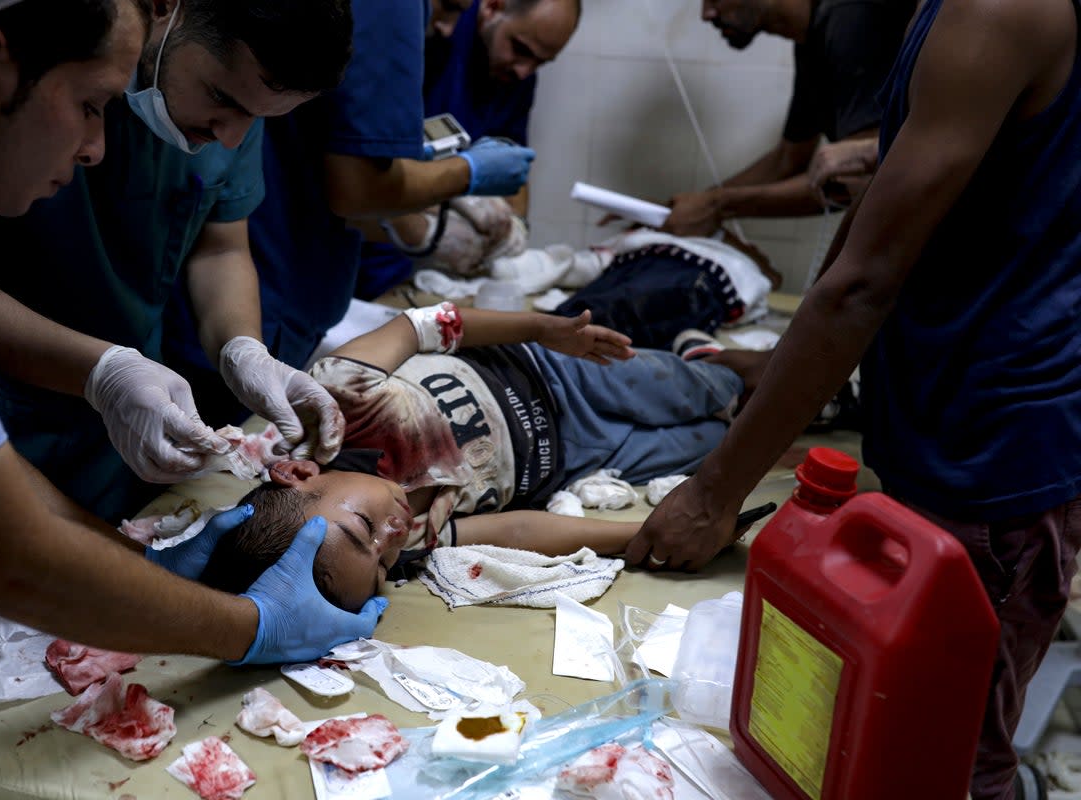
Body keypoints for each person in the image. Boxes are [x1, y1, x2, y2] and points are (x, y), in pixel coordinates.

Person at [0, 0, 384, 747]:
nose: (95, 146)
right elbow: (0, 556)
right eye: (92, 106)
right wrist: (250, 628)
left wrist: (240, 350)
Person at [627, 0, 1081, 792]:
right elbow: (880, 222)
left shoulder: (997, 9)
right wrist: (784, 362)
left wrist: (712, 492)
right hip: (942, 421)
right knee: (886, 723)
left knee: (949, 757)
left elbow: (865, 281)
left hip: (994, 448)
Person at [190, 302, 751, 610]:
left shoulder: (332, 402)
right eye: (382, 566)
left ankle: (726, 361)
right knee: (717, 447)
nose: (391, 533)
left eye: (364, 527)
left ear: (297, 472)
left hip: (554, 375)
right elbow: (518, 530)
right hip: (580, 457)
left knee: (711, 387)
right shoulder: (403, 542)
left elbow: (422, 326)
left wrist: (541, 327)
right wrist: (643, 533)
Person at [166, 0, 538, 425]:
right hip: (246, 298)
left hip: (257, 300)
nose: (449, 29)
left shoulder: (240, 126)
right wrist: (462, 178)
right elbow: (357, 184)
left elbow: (223, 245)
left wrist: (244, 352)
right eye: (448, 9)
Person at [357, 0, 583, 297]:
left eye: (540, 62)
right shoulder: (431, 34)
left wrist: (513, 230)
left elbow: (512, 164)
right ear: (492, 7)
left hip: (402, 270)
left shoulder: (513, 75)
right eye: (521, 49)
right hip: (353, 243)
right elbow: (355, 176)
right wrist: (429, 228)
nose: (525, 71)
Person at [647, 0, 911, 238]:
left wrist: (717, 205)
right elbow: (788, 159)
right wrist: (687, 207)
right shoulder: (814, 35)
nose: (707, 13)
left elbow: (860, 176)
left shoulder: (851, 17)